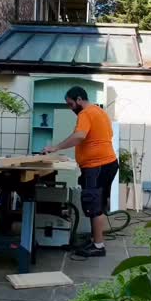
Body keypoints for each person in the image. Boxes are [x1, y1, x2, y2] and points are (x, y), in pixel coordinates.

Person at [43, 86, 118, 258]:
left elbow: (79, 136)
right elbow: (105, 136)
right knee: (96, 203)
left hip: (97, 166)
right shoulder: (100, 112)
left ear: (78, 99)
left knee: (94, 205)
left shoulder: (85, 114)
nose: (71, 109)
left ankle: (98, 246)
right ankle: (95, 240)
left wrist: (55, 147)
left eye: (70, 104)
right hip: (107, 164)